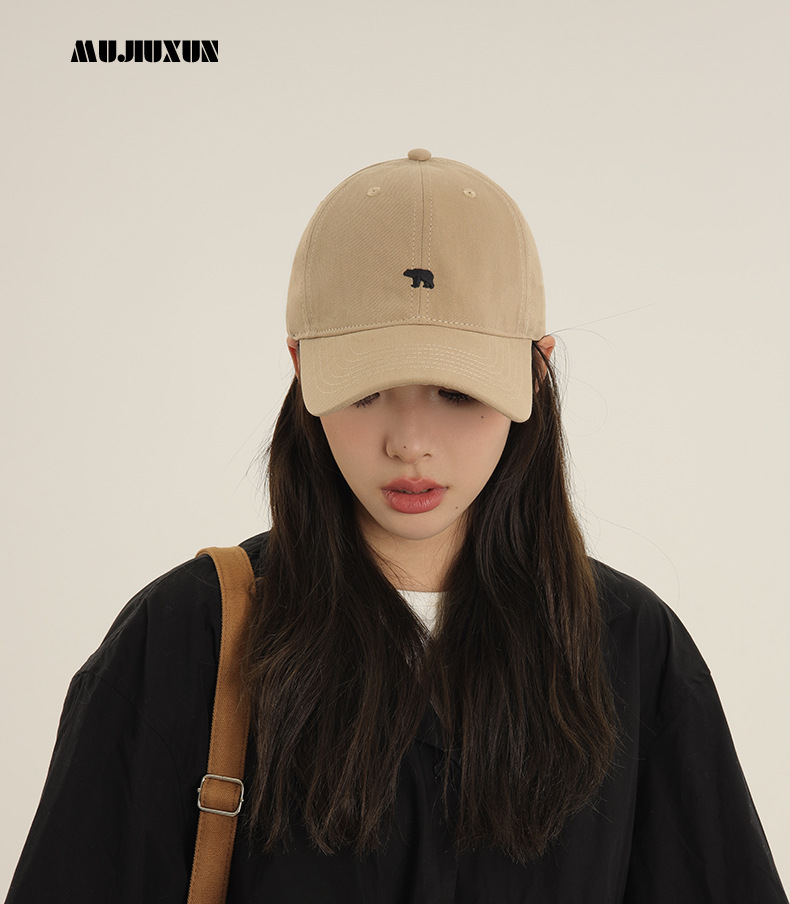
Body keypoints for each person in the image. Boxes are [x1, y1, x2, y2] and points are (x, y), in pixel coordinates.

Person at [6, 149, 787, 903]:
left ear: (535, 369)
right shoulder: (186, 639)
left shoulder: (632, 650)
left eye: (456, 391)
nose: (410, 441)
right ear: (302, 368)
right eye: (368, 389)